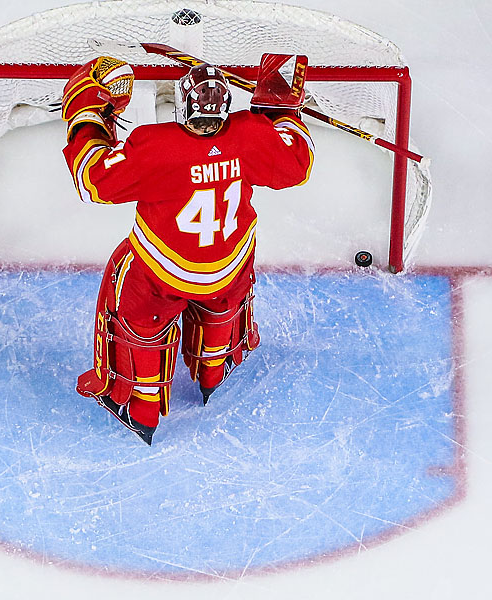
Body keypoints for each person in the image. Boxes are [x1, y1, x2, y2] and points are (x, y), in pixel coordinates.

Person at [61, 56, 315, 445]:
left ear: (183, 106)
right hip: (228, 267)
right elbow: (296, 163)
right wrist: (280, 114)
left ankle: (138, 405)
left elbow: (93, 180)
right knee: (222, 300)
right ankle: (215, 369)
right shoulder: (250, 136)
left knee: (131, 302)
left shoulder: (156, 146)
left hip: (163, 274)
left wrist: (87, 114)